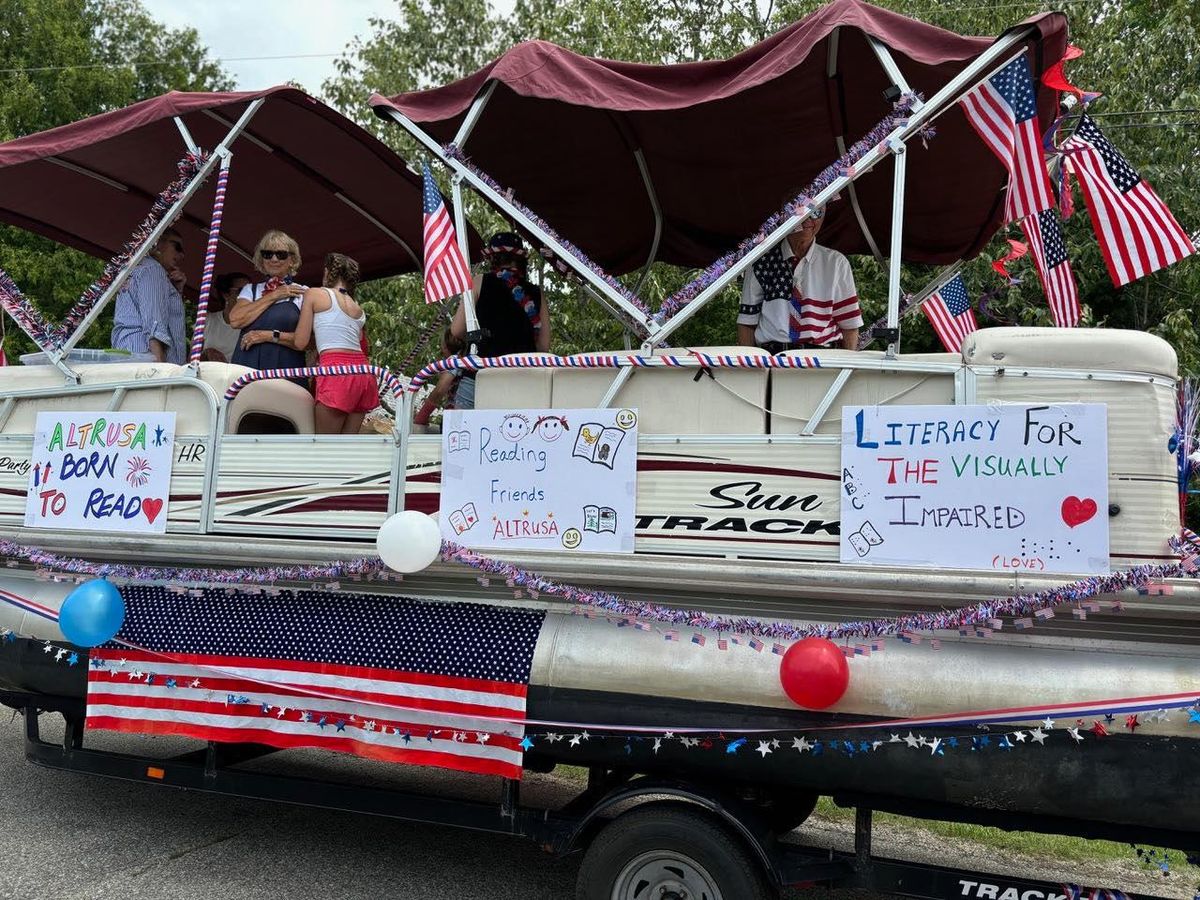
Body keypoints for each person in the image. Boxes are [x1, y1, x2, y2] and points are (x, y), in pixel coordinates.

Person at [736, 206, 862, 352]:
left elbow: (850, 326)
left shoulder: (836, 262)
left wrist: (845, 370)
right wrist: (752, 370)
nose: (808, 219)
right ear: (783, 215)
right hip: (773, 360)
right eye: (799, 211)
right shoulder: (760, 261)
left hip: (824, 361)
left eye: (816, 212)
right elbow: (746, 323)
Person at [449, 232, 551, 410]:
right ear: (520, 260)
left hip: (481, 376)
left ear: (492, 258)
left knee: (466, 434)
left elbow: (456, 330)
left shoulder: (479, 282)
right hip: (523, 381)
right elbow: (543, 346)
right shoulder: (536, 292)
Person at [289, 252, 377, 434]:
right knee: (345, 449)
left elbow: (300, 341)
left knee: (324, 447)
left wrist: (271, 335)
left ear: (327, 272)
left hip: (336, 371)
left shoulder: (314, 294)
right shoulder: (357, 307)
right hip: (363, 373)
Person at [228, 229, 307, 380]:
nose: (274, 259)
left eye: (281, 254)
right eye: (268, 254)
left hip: (285, 370)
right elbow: (235, 320)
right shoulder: (250, 290)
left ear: (292, 260)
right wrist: (275, 295)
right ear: (262, 259)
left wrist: (269, 336)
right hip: (246, 369)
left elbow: (310, 342)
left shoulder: (304, 293)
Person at [111, 227, 187, 363]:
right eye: (177, 247)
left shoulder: (136, 268)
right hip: (146, 360)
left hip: (129, 354)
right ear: (158, 242)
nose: (182, 255)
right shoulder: (153, 270)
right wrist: (159, 371)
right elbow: (155, 325)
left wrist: (176, 290)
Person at [413, 327, 465, 428]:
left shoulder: (454, 360)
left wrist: (421, 417)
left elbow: (440, 390)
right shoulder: (466, 360)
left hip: (456, 417)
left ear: (445, 346)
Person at [200, 272, 250, 363]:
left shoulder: (254, 324)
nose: (248, 296)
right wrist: (207, 352)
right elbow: (190, 361)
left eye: (251, 291)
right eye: (242, 291)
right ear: (226, 295)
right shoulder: (207, 320)